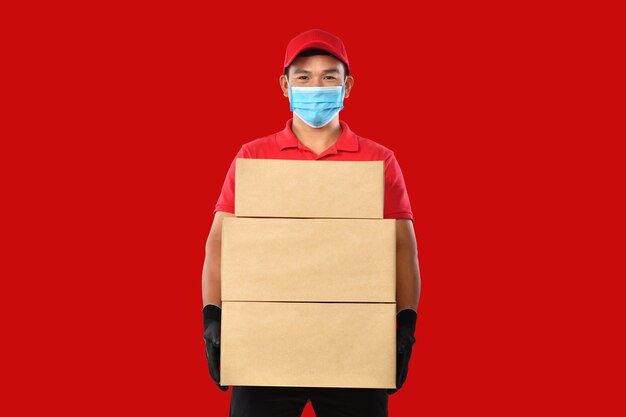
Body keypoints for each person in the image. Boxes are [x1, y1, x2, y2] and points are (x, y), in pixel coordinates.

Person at [201, 28, 421, 417]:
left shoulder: (377, 160)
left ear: (347, 86)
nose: (315, 86)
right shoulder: (253, 157)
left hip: (353, 343)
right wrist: (212, 316)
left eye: (328, 77)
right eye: (303, 77)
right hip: (265, 343)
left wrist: (406, 323)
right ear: (285, 85)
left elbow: (402, 245)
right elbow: (221, 241)